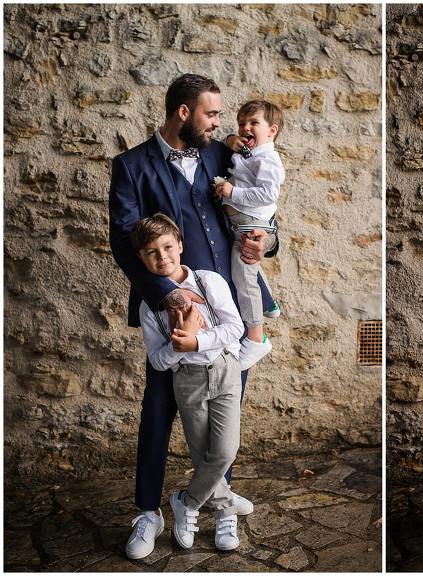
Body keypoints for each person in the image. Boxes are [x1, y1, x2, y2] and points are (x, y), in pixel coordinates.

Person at [109, 74, 271, 559]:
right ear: (184, 113)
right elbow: (124, 243)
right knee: (158, 413)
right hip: (170, 315)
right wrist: (168, 297)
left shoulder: (223, 156)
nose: (219, 123)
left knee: (225, 416)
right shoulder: (131, 166)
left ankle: (218, 507)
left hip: (228, 311)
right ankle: (147, 511)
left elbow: (261, 207)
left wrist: (267, 240)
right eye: (211, 113)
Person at [133, 214, 244, 551]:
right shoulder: (149, 307)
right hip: (188, 382)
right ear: (141, 258)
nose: (162, 257)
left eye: (168, 247)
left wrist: (196, 341)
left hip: (224, 371)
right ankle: (225, 511)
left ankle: (187, 501)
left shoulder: (208, 281)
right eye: (151, 252)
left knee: (224, 451)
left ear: (180, 245)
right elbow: (158, 359)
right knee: (202, 454)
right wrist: (178, 347)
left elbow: (235, 328)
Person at [214, 100, 285, 370]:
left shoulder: (267, 159)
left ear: (272, 131)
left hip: (250, 225)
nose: (245, 128)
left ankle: (257, 339)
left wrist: (232, 192)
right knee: (249, 270)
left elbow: (268, 194)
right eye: (242, 123)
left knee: (244, 276)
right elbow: (230, 142)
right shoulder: (249, 152)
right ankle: (269, 304)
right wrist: (230, 139)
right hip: (239, 225)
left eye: (254, 123)